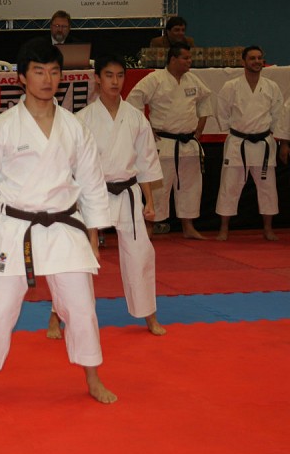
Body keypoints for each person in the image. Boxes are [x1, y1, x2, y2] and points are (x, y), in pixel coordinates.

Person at [0, 39, 115, 410]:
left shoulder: (74, 128)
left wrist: (94, 236)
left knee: (82, 308)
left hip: (65, 227)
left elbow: (92, 184)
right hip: (15, 228)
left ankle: (93, 377)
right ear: (22, 77)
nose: (48, 79)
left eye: (54, 71)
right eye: (39, 71)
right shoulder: (1, 127)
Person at [47, 55, 166, 339]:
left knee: (141, 255)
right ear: (97, 78)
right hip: (92, 193)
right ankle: (56, 316)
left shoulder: (136, 117)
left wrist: (149, 202)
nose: (115, 81)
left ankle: (149, 314)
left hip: (128, 193)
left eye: (120, 76)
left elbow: (146, 163)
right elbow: (70, 165)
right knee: (77, 258)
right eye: (109, 75)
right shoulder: (83, 119)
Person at [127, 43, 213, 239]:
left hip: (189, 143)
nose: (189, 61)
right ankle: (150, 227)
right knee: (159, 188)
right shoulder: (155, 79)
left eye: (190, 58)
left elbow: (206, 99)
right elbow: (134, 99)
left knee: (191, 187)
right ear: (173, 59)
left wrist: (200, 127)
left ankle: (188, 227)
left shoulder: (192, 79)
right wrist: (146, 127)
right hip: (165, 142)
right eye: (185, 58)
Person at [215, 46, 283, 241]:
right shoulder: (231, 86)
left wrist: (274, 133)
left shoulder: (271, 86)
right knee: (229, 187)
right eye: (252, 58)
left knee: (268, 188)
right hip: (238, 142)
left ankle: (268, 228)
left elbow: (277, 114)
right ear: (243, 62)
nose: (257, 61)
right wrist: (233, 128)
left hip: (263, 143)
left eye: (259, 58)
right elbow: (222, 111)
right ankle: (224, 228)